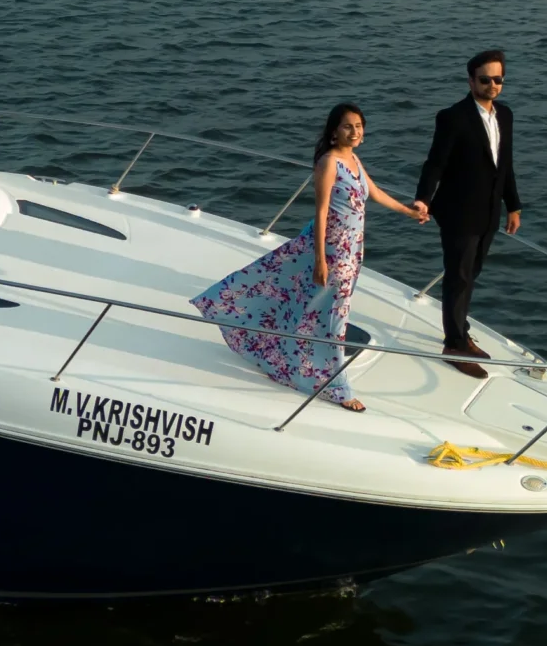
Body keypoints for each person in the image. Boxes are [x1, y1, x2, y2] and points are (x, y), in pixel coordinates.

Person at [191, 103, 428, 412]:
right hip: (333, 251)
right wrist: (320, 260)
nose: (354, 131)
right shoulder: (329, 163)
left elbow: (375, 193)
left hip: (353, 250)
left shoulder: (353, 159)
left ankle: (288, 358)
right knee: (334, 316)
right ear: (334, 132)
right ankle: (337, 387)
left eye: (358, 126)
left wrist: (409, 212)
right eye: (347, 126)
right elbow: (321, 211)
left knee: (313, 308)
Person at [411, 50, 521, 380]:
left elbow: (505, 165)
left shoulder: (505, 115)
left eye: (498, 79)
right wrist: (422, 199)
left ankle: (461, 330)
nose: (492, 85)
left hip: (488, 212)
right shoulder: (453, 117)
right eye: (485, 79)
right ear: (471, 81)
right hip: (458, 211)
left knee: (471, 273)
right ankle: (454, 345)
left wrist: (513, 205)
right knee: (458, 278)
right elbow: (435, 163)